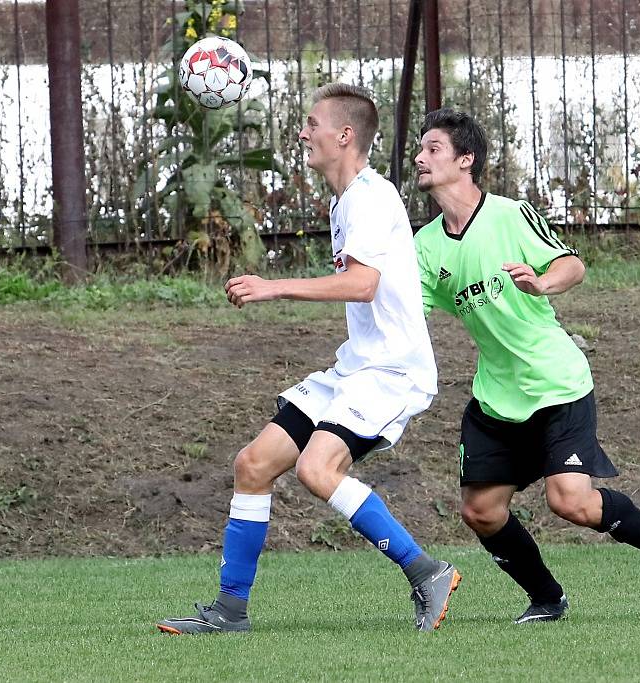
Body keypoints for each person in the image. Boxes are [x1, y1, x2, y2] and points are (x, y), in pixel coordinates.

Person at [157, 85, 461, 635]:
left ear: (344, 135)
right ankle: (230, 612)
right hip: (357, 366)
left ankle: (426, 571)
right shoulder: (344, 200)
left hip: (392, 370)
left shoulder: (371, 197)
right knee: (252, 465)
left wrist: (274, 287)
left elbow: (363, 285)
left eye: (311, 122)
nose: (302, 131)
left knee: (317, 469)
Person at [412, 107, 640, 623]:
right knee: (480, 511)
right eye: (420, 147)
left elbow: (572, 264)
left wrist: (543, 282)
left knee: (572, 502)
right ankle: (548, 598)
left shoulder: (509, 215)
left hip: (556, 383)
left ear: (466, 160)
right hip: (496, 397)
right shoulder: (426, 245)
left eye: (433, 148)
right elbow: (407, 310)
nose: (419, 156)